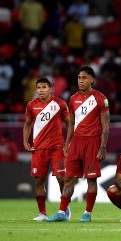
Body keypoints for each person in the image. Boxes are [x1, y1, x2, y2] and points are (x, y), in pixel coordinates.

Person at [47, 65, 110, 222]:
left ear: (92, 80)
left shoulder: (100, 99)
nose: (81, 81)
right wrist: (67, 143)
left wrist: (102, 146)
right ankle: (62, 212)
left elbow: (106, 125)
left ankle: (87, 213)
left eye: (84, 78)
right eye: (79, 78)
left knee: (91, 179)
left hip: (92, 143)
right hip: (76, 143)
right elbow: (71, 124)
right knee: (69, 178)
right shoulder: (73, 99)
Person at [23, 77, 71, 221]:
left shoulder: (60, 104)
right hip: (38, 149)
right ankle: (42, 213)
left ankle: (64, 209)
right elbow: (27, 124)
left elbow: (70, 123)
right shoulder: (31, 105)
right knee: (39, 181)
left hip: (57, 148)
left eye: (44, 87)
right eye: (39, 88)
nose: (41, 90)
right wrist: (25, 141)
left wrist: (68, 143)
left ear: (50, 89)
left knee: (62, 178)